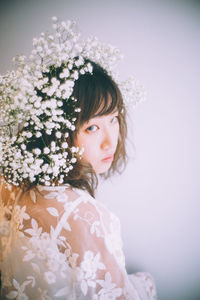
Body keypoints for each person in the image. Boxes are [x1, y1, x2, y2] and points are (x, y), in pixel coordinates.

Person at [0, 17, 157, 299]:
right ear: (58, 132)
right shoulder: (83, 215)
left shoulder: (8, 180)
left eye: (114, 119)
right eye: (92, 127)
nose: (112, 139)